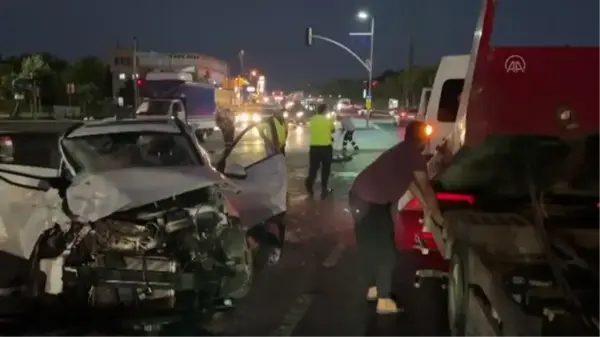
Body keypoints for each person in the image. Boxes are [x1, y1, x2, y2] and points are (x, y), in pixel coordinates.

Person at [348, 121, 445, 314]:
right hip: (370, 202)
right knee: (386, 252)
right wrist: (440, 218)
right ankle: (384, 301)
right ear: (422, 139)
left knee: (371, 246)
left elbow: (411, 183)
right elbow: (425, 187)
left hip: (362, 198)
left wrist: (427, 208)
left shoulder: (403, 151)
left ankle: (374, 290)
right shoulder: (413, 156)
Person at [305, 104, 335, 200]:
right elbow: (333, 130)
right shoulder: (328, 120)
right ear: (325, 111)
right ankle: (324, 188)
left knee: (313, 168)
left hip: (314, 147)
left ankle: (309, 183)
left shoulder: (312, 119)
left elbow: (310, 129)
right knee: (325, 169)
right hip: (326, 148)